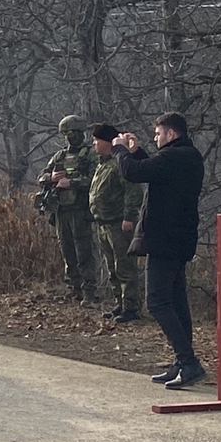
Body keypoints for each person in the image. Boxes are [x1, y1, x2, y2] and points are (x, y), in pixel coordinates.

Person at [113, 112, 206, 390]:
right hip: (178, 239)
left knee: (157, 301)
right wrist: (136, 151)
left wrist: (119, 149)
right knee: (177, 303)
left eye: (158, 134)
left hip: (165, 240)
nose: (155, 138)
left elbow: (134, 172)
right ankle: (182, 362)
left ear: (172, 134)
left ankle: (188, 362)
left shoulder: (174, 158)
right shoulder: (187, 156)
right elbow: (151, 168)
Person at [38, 115, 98, 304]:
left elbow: (95, 180)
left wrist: (71, 182)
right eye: (66, 134)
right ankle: (74, 289)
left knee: (84, 251)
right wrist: (52, 178)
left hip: (80, 210)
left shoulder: (90, 155)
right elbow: (42, 176)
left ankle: (89, 291)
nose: (68, 138)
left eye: (71, 133)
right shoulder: (60, 156)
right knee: (67, 250)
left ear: (80, 133)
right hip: (61, 210)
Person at [89, 123, 143, 322]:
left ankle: (131, 308)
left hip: (119, 223)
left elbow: (133, 190)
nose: (94, 144)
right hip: (104, 223)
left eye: (96, 140)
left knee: (124, 266)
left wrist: (129, 216)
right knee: (112, 267)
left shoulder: (118, 163)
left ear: (106, 141)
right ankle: (119, 304)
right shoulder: (102, 164)